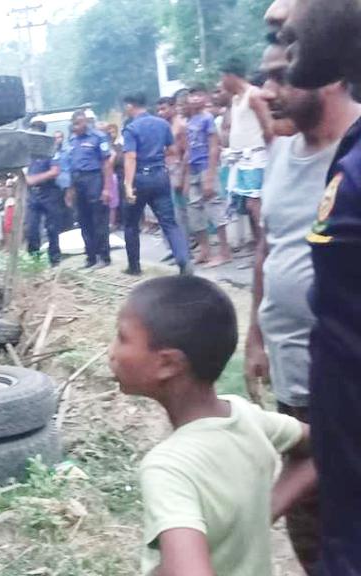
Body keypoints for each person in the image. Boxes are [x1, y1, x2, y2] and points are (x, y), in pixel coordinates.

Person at [109, 275, 315, 576]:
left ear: (168, 364)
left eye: (122, 337)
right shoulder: (245, 416)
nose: (112, 351)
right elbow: (322, 446)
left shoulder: (169, 468)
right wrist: (261, 513)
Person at [246, 40, 361, 575]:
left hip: (342, 377)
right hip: (294, 374)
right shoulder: (280, 157)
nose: (267, 93)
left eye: (281, 78)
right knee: (313, 534)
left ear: (329, 76)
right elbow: (267, 249)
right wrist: (255, 335)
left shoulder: (354, 160)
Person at [120, 92, 191, 276]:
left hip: (140, 178)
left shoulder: (131, 128)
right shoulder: (162, 124)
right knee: (169, 223)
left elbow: (130, 157)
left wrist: (128, 184)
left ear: (130, 106)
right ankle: (183, 261)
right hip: (160, 176)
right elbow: (172, 149)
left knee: (131, 224)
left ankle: (134, 266)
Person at [222, 56, 274, 245]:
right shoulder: (236, 99)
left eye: (223, 78)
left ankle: (267, 246)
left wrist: (271, 156)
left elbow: (268, 128)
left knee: (255, 205)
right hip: (241, 160)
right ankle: (259, 248)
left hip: (256, 158)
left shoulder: (254, 95)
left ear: (230, 76)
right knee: (247, 206)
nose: (221, 83)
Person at [184, 86, 233, 267]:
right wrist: (186, 175)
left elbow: (214, 147)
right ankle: (205, 250)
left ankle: (225, 251)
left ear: (204, 98)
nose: (194, 99)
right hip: (194, 168)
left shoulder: (207, 119)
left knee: (215, 207)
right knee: (194, 209)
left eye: (198, 95)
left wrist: (211, 176)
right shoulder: (190, 121)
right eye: (191, 95)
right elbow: (189, 150)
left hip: (206, 167)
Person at [68, 110, 114, 268]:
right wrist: (71, 189)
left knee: (99, 220)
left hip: (94, 179)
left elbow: (106, 164)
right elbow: (72, 165)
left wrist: (107, 188)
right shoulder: (72, 139)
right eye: (73, 124)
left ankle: (104, 257)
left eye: (78, 123)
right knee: (83, 220)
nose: (75, 127)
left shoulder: (98, 137)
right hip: (78, 181)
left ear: (85, 123)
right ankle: (91, 257)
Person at [24, 121, 64, 266]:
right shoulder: (27, 151)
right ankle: (34, 261)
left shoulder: (50, 148)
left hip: (49, 193)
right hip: (33, 195)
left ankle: (55, 261)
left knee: (52, 228)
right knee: (32, 229)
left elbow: (55, 171)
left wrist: (33, 179)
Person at [158, 96, 191, 247]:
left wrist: (184, 177)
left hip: (178, 169)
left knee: (179, 212)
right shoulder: (164, 126)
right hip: (166, 169)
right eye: (158, 109)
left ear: (172, 107)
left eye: (163, 108)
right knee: (168, 211)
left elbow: (186, 152)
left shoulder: (180, 126)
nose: (160, 112)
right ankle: (174, 247)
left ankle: (183, 246)